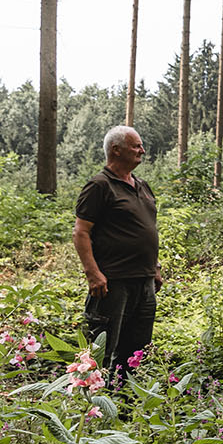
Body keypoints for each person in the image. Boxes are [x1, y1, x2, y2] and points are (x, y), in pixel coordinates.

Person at [74, 125, 164, 375]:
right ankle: (89, 407)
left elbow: (147, 230)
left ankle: (123, 408)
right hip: (112, 283)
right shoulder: (99, 186)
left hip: (144, 282)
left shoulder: (142, 186)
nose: (142, 151)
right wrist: (93, 273)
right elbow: (81, 232)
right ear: (116, 150)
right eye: (136, 146)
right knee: (98, 352)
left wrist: (154, 267)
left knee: (135, 353)